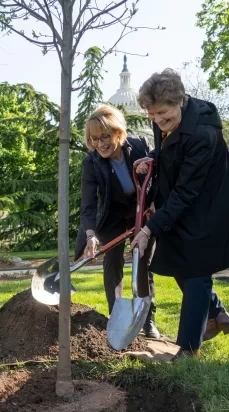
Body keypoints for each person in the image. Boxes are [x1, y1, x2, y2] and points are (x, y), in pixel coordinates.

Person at [131, 69, 229, 360]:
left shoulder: (203, 132)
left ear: (180, 101)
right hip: (185, 200)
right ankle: (216, 314)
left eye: (162, 114)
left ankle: (189, 349)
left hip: (212, 205)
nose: (157, 121)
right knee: (178, 260)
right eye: (151, 115)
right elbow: (170, 152)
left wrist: (148, 230)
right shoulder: (166, 118)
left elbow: (186, 191)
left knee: (196, 267)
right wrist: (153, 159)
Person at [75, 105, 160, 339]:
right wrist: (91, 235)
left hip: (141, 211)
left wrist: (155, 201)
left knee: (142, 261)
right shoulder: (91, 163)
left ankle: (147, 319)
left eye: (105, 137)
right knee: (112, 263)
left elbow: (161, 171)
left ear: (118, 133)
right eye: (94, 139)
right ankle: (118, 318)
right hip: (112, 215)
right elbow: (89, 204)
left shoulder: (140, 145)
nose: (100, 144)